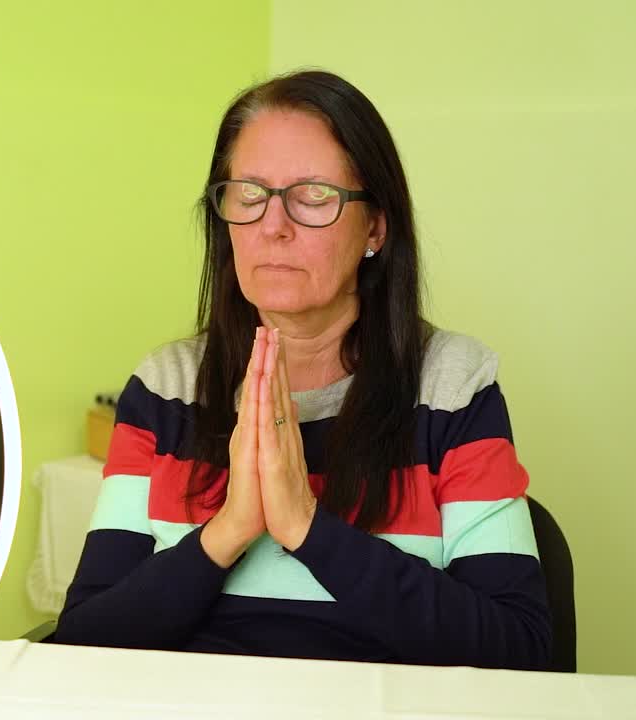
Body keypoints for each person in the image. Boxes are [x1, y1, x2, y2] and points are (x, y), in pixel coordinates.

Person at [56, 70, 551, 670]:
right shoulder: (167, 388)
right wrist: (229, 529)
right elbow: (81, 645)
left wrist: (308, 527)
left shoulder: (453, 386)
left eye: (313, 195)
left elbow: (521, 652)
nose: (274, 226)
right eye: (249, 194)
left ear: (375, 227)